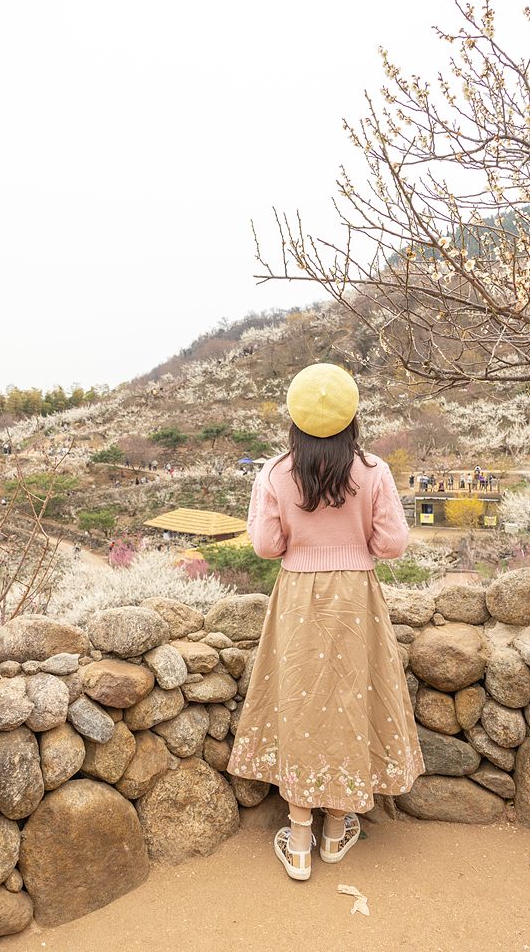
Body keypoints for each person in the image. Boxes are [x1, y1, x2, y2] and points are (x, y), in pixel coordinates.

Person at [228, 364, 424, 881]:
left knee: (300, 699)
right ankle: (337, 832)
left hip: (298, 597)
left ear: (294, 418)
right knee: (350, 697)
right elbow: (392, 544)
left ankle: (297, 841)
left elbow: (267, 546)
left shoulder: (273, 472)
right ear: (351, 415)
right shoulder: (374, 470)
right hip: (356, 596)